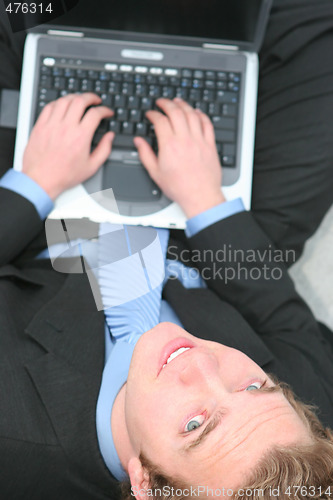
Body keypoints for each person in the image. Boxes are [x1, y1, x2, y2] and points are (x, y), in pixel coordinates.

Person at [0, 1, 333, 499]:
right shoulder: (300, 432)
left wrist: (34, 183)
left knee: (21, 21)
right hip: (207, 252)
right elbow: (282, 318)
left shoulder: (13, 430)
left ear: (146, 483)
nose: (199, 361)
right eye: (254, 387)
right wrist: (207, 202)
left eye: (196, 424)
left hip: (39, 235)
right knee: (314, 22)